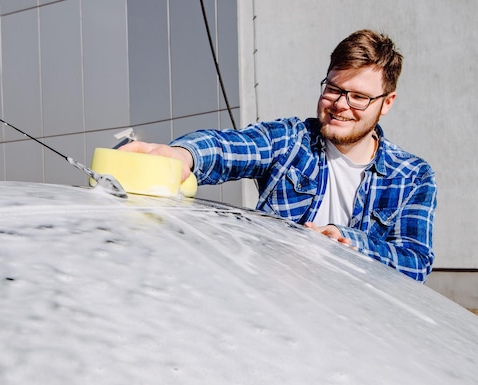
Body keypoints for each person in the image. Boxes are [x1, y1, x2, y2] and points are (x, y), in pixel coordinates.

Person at [121, 29, 437, 282]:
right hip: (278, 310)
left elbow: (415, 262)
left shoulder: (412, 176)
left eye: (358, 97)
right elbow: (231, 146)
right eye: (334, 89)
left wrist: (347, 241)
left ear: (387, 102)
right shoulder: (292, 141)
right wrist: (181, 155)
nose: (340, 104)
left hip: (360, 327)